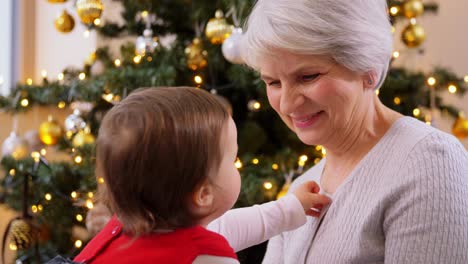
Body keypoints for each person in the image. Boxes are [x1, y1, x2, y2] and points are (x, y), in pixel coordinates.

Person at [208, 0, 468, 263]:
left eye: (308, 76)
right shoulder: (301, 189)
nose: (286, 104)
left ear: (368, 69)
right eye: (273, 82)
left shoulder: (432, 161)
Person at [73, 87, 331, 264]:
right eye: (232, 159)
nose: (236, 164)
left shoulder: (125, 228)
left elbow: (224, 228)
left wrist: (290, 208)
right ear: (204, 194)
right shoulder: (205, 258)